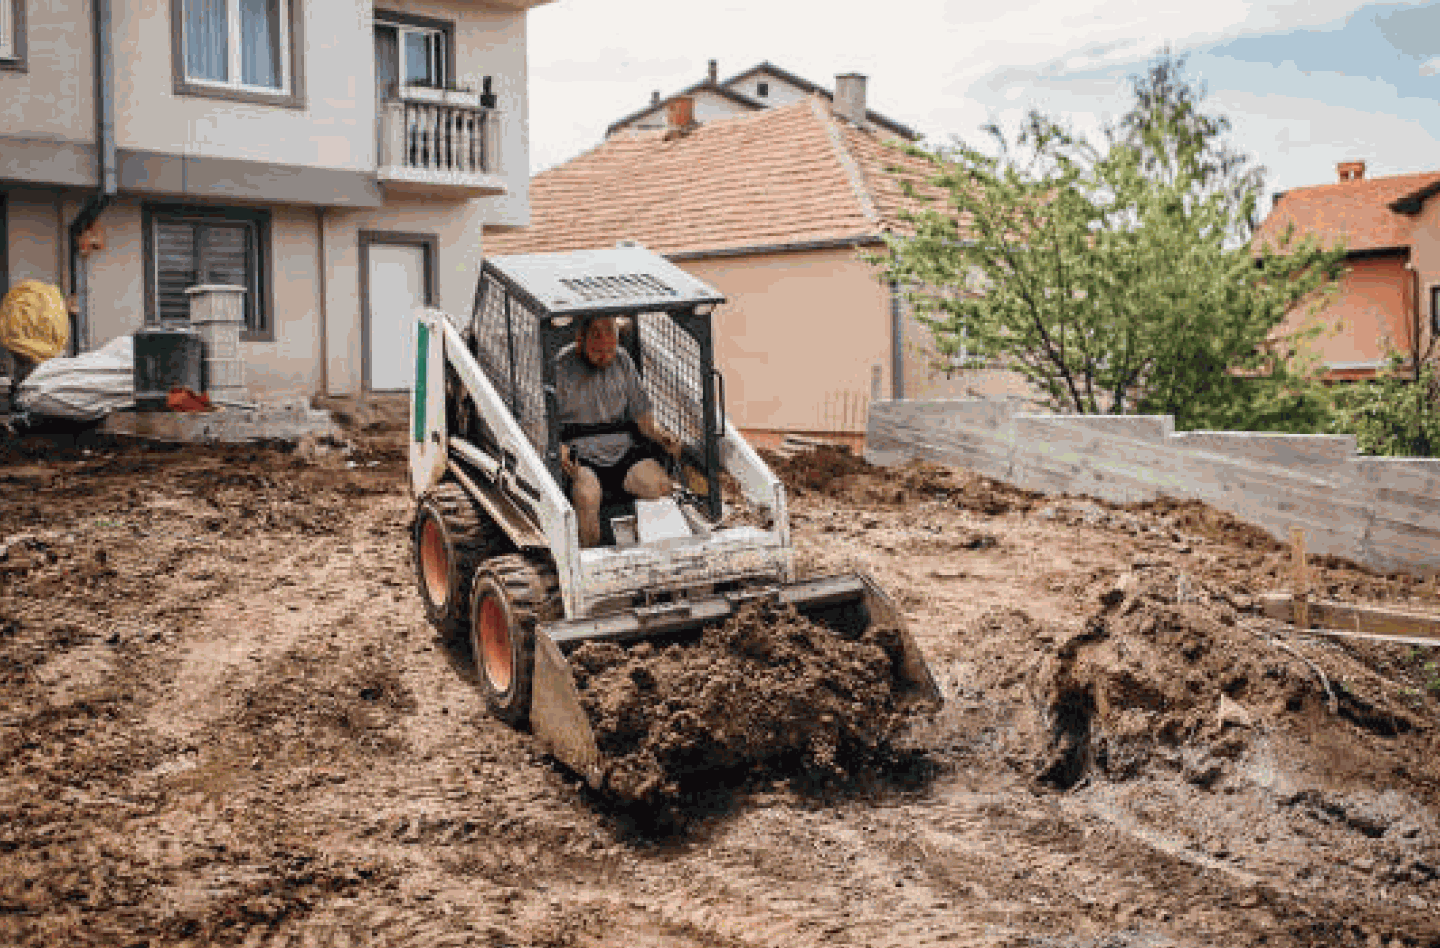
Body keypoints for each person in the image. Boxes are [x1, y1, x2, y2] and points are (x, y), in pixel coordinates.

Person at [554, 314, 681, 547]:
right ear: (580, 339)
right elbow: (544, 420)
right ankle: (588, 561)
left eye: (610, 351)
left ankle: (660, 555)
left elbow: (643, 418)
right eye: (598, 352)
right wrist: (556, 447)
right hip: (581, 456)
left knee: (661, 487)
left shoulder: (623, 361)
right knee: (587, 495)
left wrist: (662, 436)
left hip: (623, 451)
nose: (605, 357)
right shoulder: (560, 365)